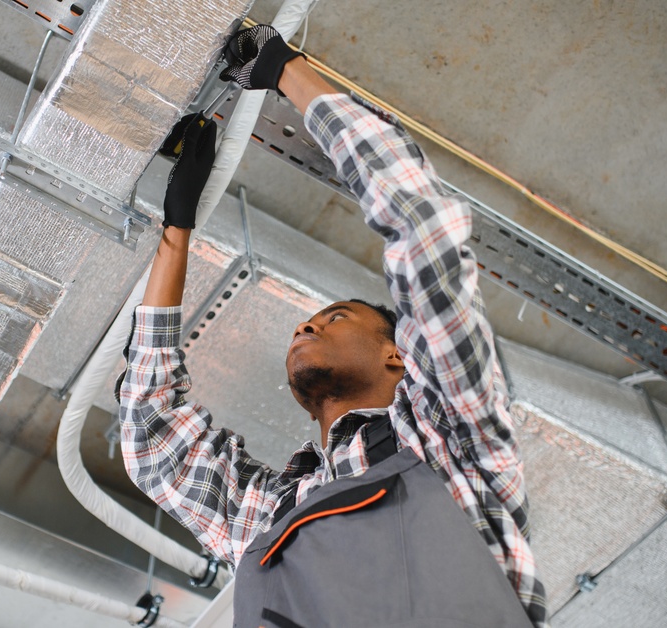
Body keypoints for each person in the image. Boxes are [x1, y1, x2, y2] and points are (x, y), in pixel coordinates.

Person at [118, 24, 547, 627]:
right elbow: (152, 436)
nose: (302, 328)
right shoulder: (273, 513)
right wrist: (176, 227)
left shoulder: (452, 436)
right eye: (319, 320)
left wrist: (280, 67)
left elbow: (423, 231)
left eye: (331, 319)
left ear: (401, 355)